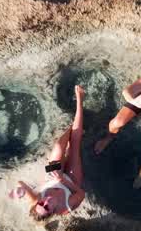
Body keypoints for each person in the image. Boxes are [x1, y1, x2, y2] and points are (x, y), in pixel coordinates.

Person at [9, 85, 87, 220]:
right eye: (47, 207)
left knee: (58, 146)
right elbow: (81, 194)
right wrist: (63, 180)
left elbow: (21, 184)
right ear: (52, 212)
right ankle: (80, 99)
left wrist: (20, 191)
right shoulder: (66, 206)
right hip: (71, 181)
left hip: (51, 174)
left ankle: (71, 128)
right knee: (75, 145)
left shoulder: (35, 200)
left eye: (41, 204)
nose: (45, 202)